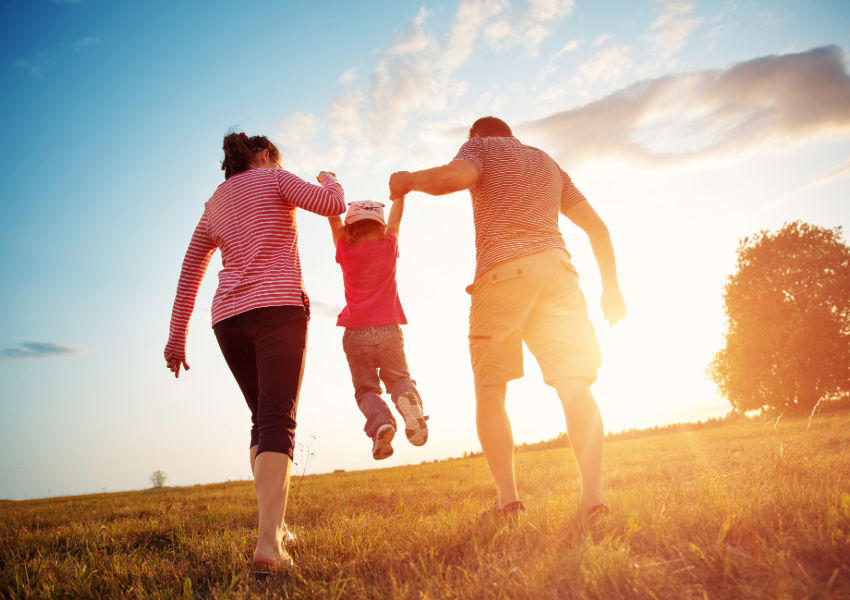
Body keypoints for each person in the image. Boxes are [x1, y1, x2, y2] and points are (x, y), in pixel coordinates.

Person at [388, 116, 627, 523]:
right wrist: (612, 288)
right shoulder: (548, 163)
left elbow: (452, 178)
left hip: (503, 275)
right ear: (511, 134)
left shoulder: (480, 148)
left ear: (476, 135)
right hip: (558, 275)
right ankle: (594, 501)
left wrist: (408, 180)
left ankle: (509, 503)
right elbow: (598, 230)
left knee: (491, 389)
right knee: (574, 385)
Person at [163, 132, 345, 570]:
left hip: (228, 320)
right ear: (264, 155)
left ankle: (275, 527)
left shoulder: (214, 203)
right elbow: (331, 205)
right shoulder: (274, 178)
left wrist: (176, 336)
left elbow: (191, 269)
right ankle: (268, 546)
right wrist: (330, 178)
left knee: (261, 421)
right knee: (278, 419)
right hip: (277, 308)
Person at [327, 198, 428, 460]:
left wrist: (328, 184)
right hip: (389, 330)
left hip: (356, 333)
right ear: (381, 227)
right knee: (399, 379)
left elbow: (333, 219)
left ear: (350, 230)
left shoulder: (345, 251)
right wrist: (401, 195)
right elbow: (396, 220)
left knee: (366, 390)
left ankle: (381, 423)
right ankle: (408, 399)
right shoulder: (389, 245)